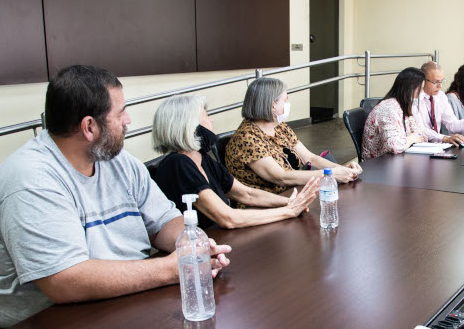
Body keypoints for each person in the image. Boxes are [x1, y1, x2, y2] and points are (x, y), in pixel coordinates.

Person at [0, 65, 231, 329]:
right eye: (121, 112)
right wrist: (172, 269)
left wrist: (192, 247)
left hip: (107, 305)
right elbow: (65, 281)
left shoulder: (120, 161)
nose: (128, 120)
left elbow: (163, 221)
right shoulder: (30, 179)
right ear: (89, 127)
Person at [151, 95, 319, 230]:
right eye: (206, 116)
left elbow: (246, 194)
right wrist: (287, 211)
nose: (211, 121)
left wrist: (291, 202)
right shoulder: (178, 164)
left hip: (217, 240)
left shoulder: (201, 157)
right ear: (189, 125)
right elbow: (227, 217)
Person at [225, 78, 361, 198]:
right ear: (273, 105)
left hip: (293, 195)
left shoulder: (279, 126)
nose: (288, 104)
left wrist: (344, 171)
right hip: (266, 205)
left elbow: (310, 158)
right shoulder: (247, 137)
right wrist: (330, 174)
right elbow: (280, 177)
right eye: (285, 100)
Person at [414, 61, 464, 146]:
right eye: (435, 82)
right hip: (420, 147)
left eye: (441, 81)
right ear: (423, 80)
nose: (440, 86)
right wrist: (444, 138)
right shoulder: (415, 99)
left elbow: (452, 124)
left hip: (436, 147)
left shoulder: (440, 96)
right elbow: (420, 129)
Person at [362, 67, 428, 160]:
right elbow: (394, 146)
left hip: (395, 161)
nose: (421, 93)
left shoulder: (402, 105)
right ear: (410, 88)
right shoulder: (388, 108)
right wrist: (412, 138)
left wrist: (415, 137)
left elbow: (422, 135)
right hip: (378, 165)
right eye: (420, 89)